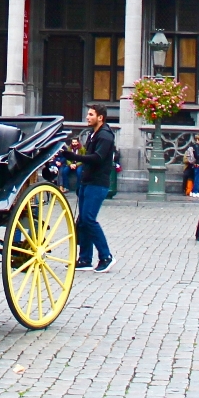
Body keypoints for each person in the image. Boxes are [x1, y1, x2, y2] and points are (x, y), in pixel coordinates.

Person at [61, 105, 116, 273]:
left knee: (89, 219)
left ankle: (106, 256)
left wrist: (74, 156)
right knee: (83, 221)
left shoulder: (105, 136)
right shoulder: (94, 134)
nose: (87, 117)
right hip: (87, 181)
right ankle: (85, 258)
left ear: (100, 117)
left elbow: (97, 158)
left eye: (91, 114)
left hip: (97, 183)